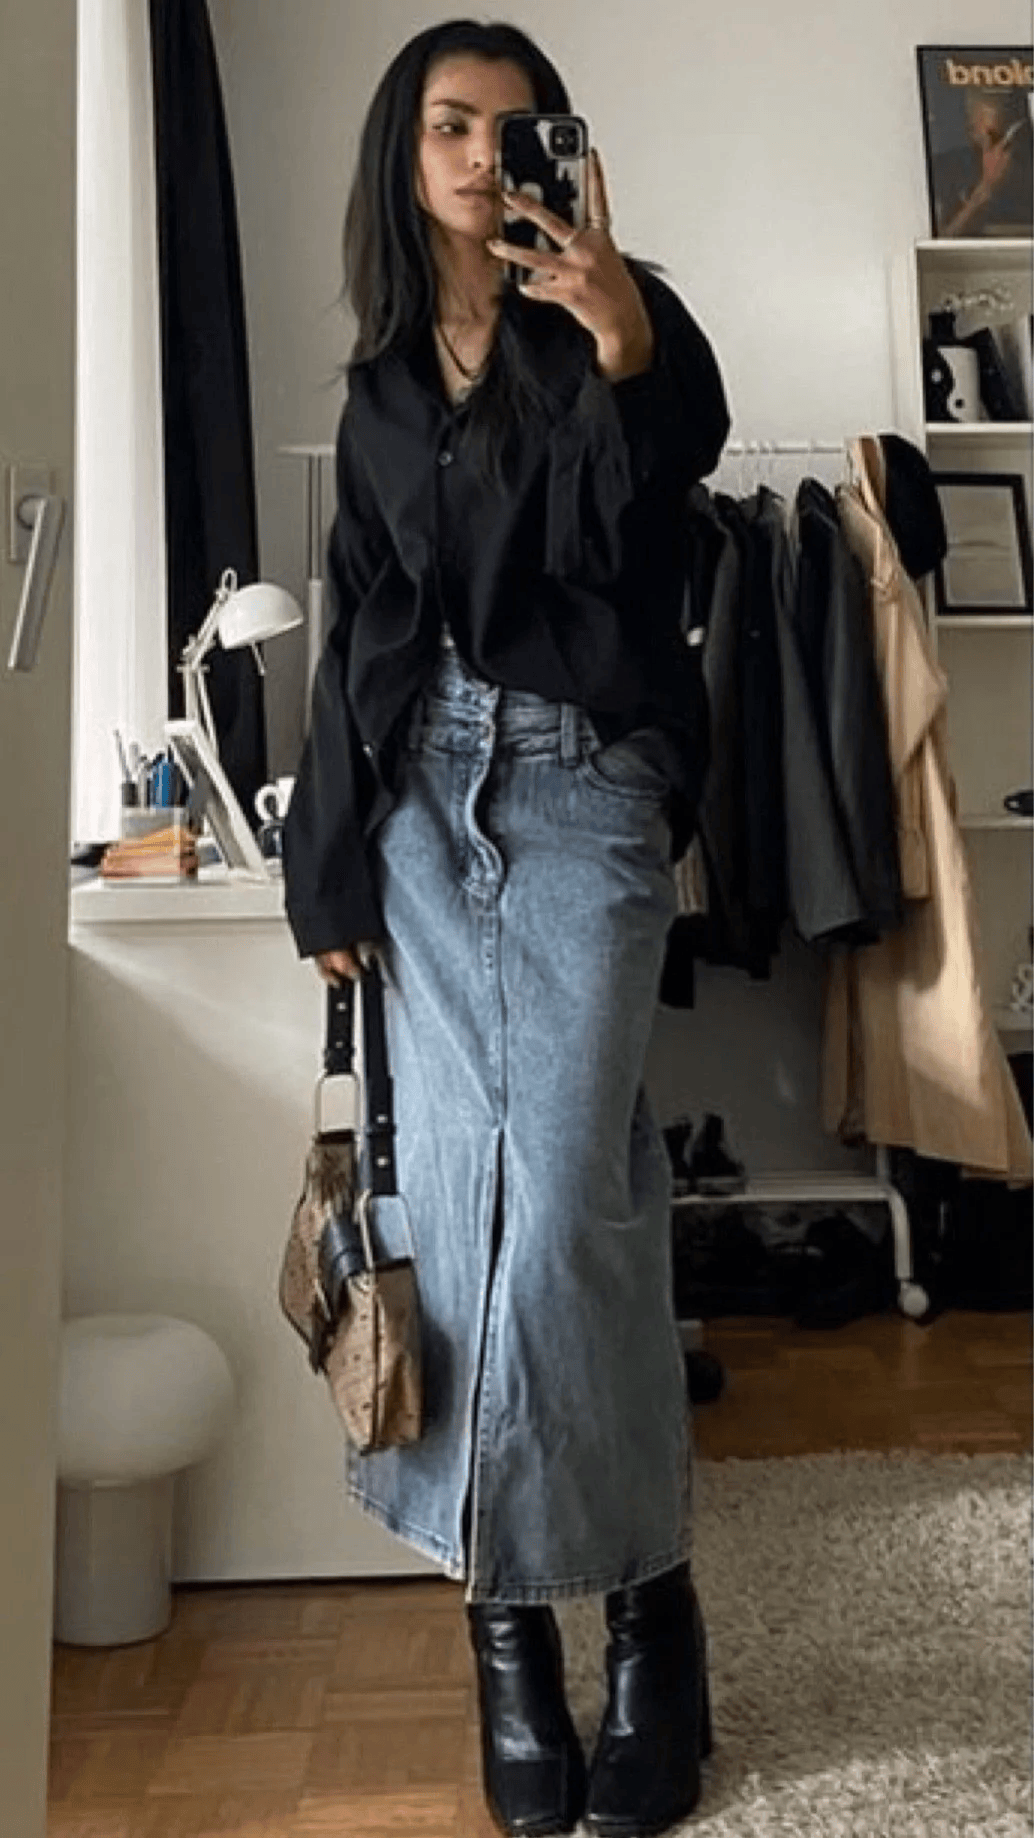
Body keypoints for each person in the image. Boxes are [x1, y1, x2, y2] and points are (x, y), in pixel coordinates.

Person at [282, 20, 729, 1836]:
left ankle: (642, 1601)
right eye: (450, 128)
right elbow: (361, 624)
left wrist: (616, 330)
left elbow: (655, 507)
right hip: (415, 807)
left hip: (579, 789)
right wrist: (324, 862)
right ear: (405, 158)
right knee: (473, 1220)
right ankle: (526, 1635)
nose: (482, 157)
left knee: (558, 1208)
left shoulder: (618, 319)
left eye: (512, 128)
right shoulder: (383, 392)